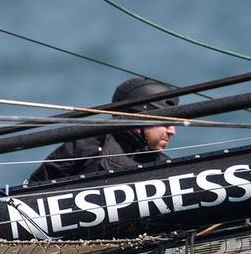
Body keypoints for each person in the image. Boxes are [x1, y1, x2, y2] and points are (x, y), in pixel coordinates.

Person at [27, 78, 178, 184]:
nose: (172, 131)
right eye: (165, 123)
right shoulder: (87, 145)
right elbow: (32, 189)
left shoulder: (164, 164)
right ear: (138, 120)